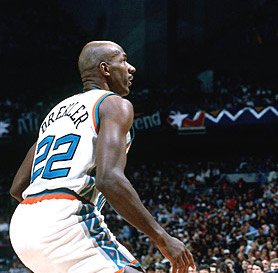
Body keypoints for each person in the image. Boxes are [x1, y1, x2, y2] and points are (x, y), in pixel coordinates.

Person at [9, 41, 195, 273]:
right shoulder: (114, 104)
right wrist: (162, 238)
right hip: (65, 220)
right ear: (105, 69)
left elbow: (17, 187)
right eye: (123, 60)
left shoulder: (55, 113)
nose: (131, 68)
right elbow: (108, 179)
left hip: (22, 226)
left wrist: (44, 213)